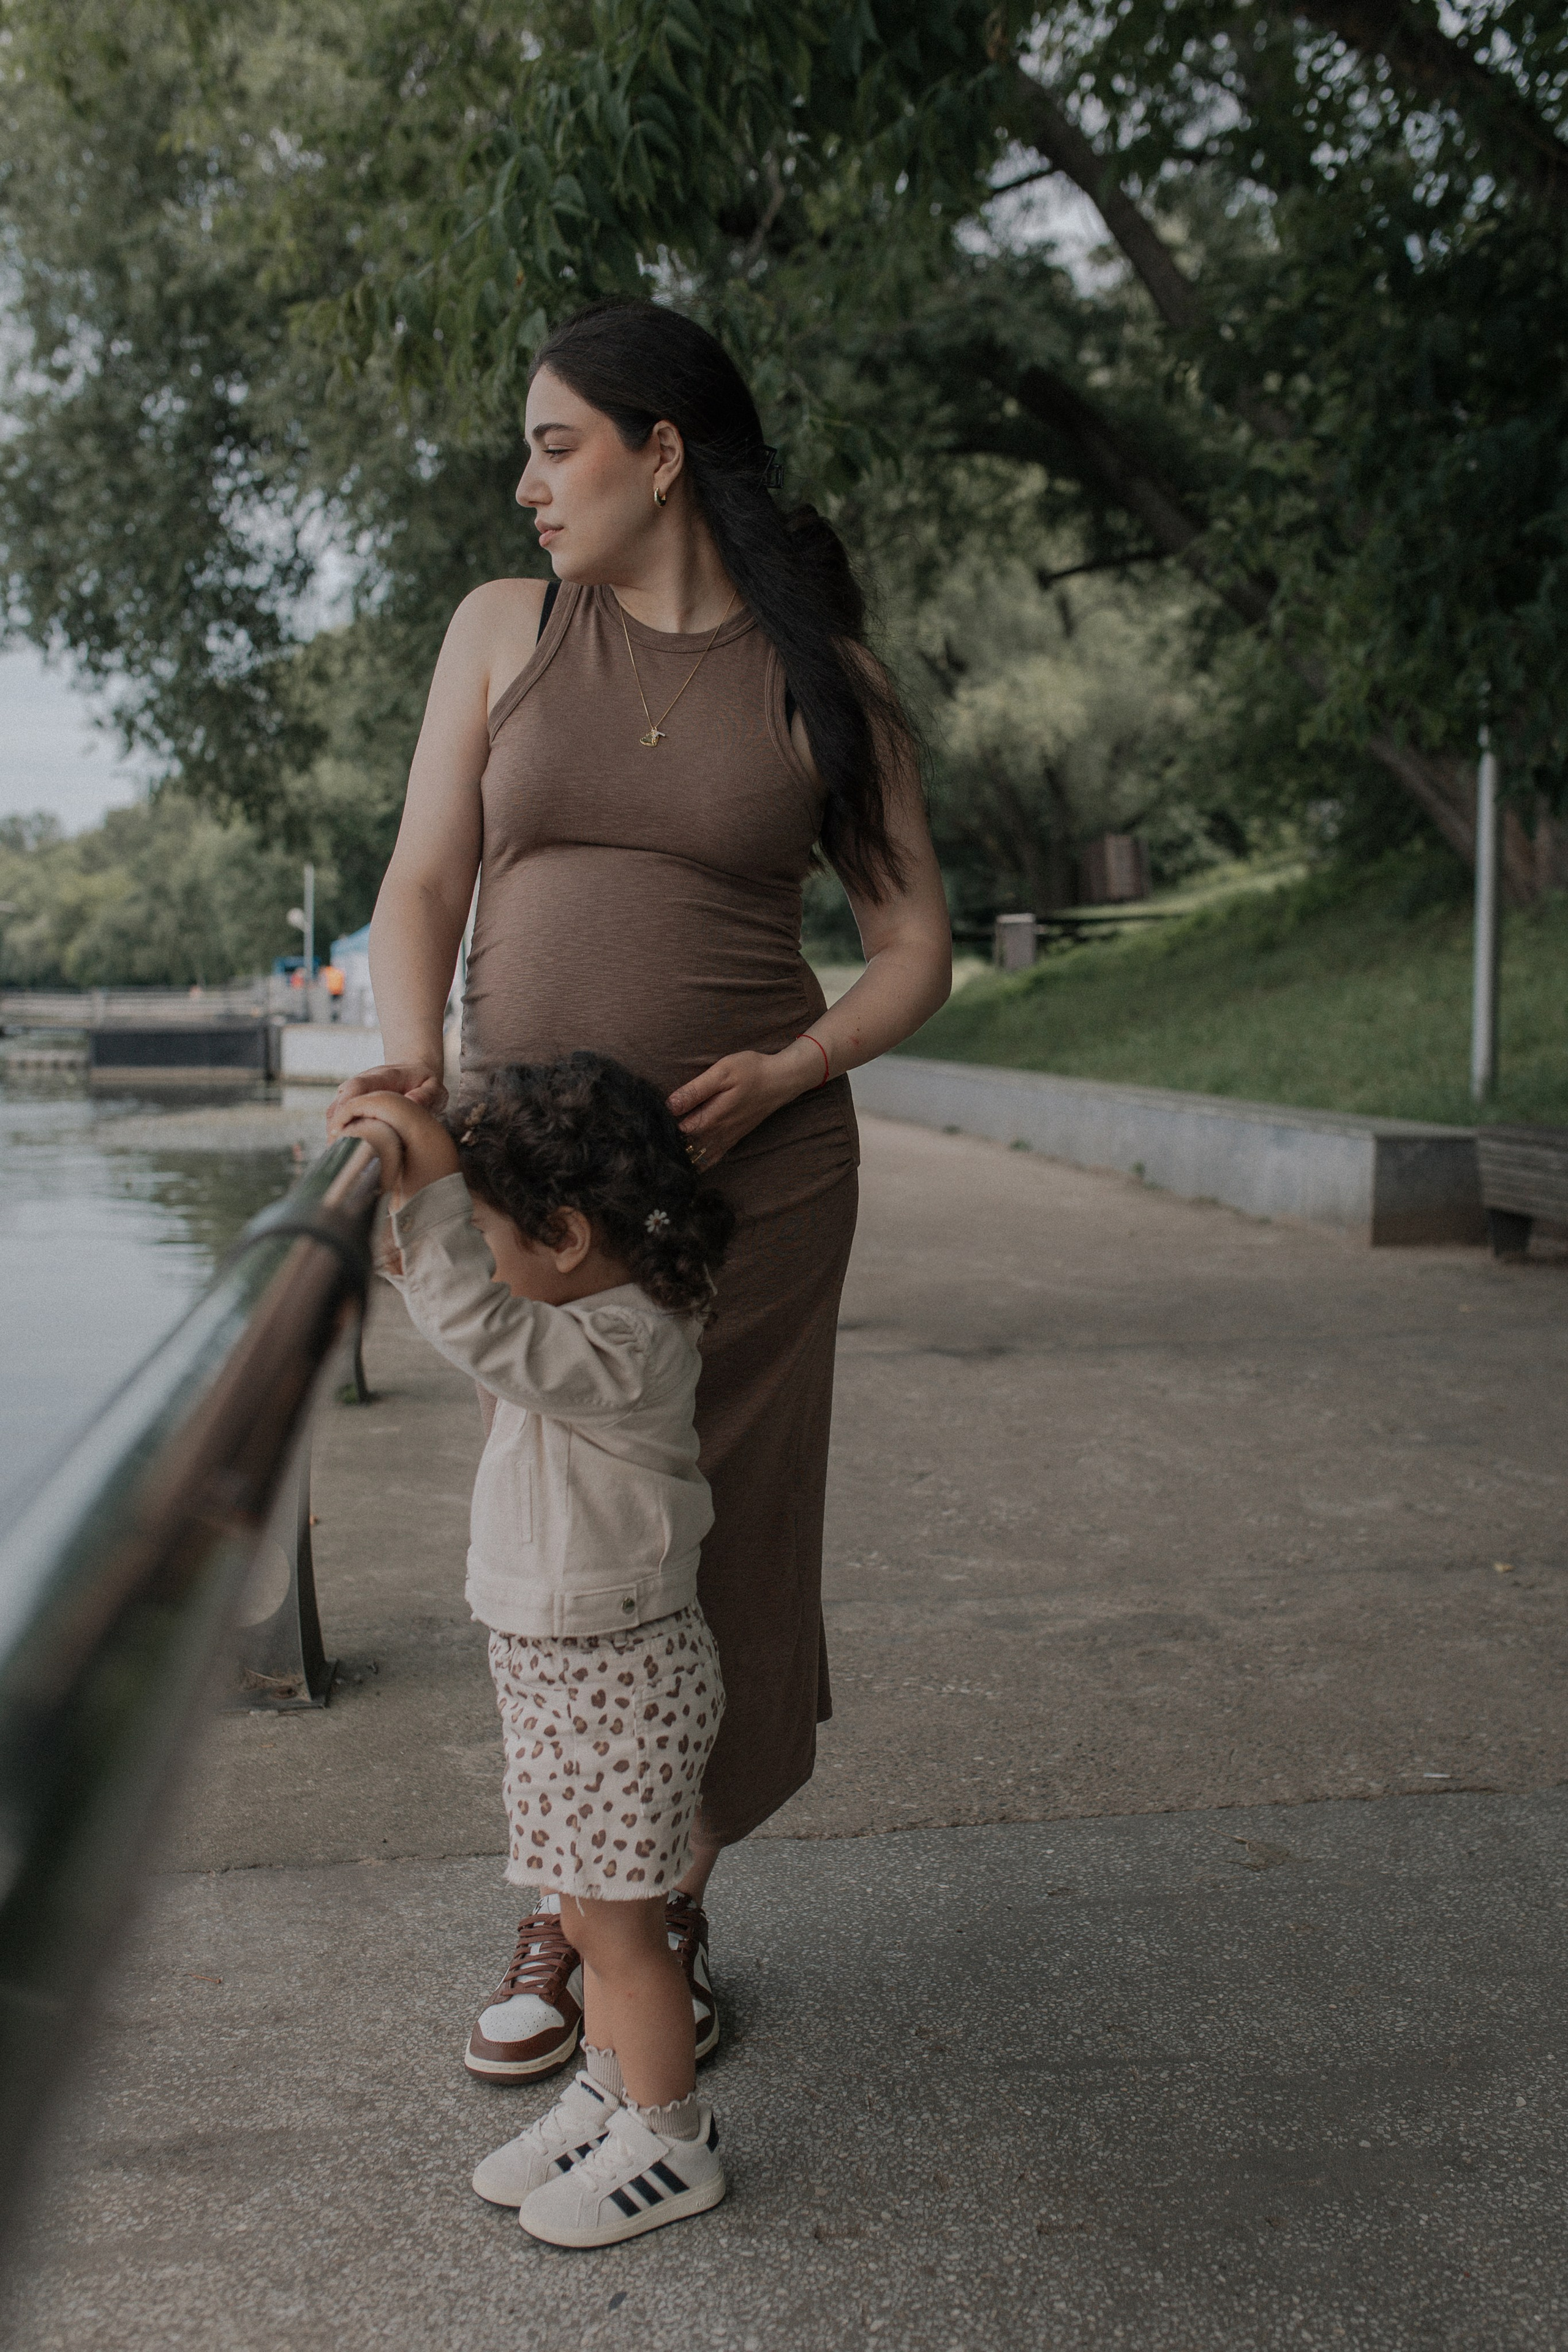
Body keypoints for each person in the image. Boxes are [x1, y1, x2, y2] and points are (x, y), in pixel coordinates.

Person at [330, 296, 951, 2064]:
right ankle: (574, 1905)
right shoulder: (502, 630)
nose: (529, 485)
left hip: (758, 1188)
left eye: (556, 445)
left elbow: (916, 950)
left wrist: (797, 1067)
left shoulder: (826, 672)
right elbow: (418, 886)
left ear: (660, 451)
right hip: (543, 1187)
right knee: (569, 1560)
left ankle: (659, 1911)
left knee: (720, 1551)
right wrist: (416, 1068)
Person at [337, 1051, 736, 2247]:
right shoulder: (575, 1306)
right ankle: (612, 2100)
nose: (476, 1256)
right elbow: (445, 1285)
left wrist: (433, 1190)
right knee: (578, 1906)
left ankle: (671, 2143)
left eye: (489, 1229)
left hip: (622, 1676)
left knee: (619, 1930)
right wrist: (406, 1177)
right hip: (562, 1665)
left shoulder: (623, 1346)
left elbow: (470, 1317)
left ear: (563, 1236)